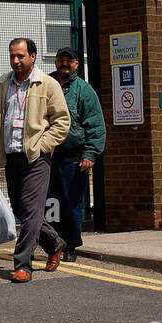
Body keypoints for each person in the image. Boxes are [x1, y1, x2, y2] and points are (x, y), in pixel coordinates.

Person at [0, 37, 71, 282]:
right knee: (21, 209)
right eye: (12, 56)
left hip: (36, 159)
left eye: (20, 56)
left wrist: (42, 146)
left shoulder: (47, 84)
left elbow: (62, 122)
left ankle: (23, 265)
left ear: (33, 57)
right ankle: (55, 243)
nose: (15, 61)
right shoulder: (2, 84)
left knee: (31, 212)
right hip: (12, 157)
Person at [50, 48, 106, 263]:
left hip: (73, 157)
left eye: (68, 61)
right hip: (48, 156)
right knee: (49, 203)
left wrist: (89, 154)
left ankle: (70, 245)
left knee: (72, 204)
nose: (64, 64)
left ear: (76, 64)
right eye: (60, 60)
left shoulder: (84, 90)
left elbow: (95, 125)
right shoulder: (46, 85)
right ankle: (52, 243)